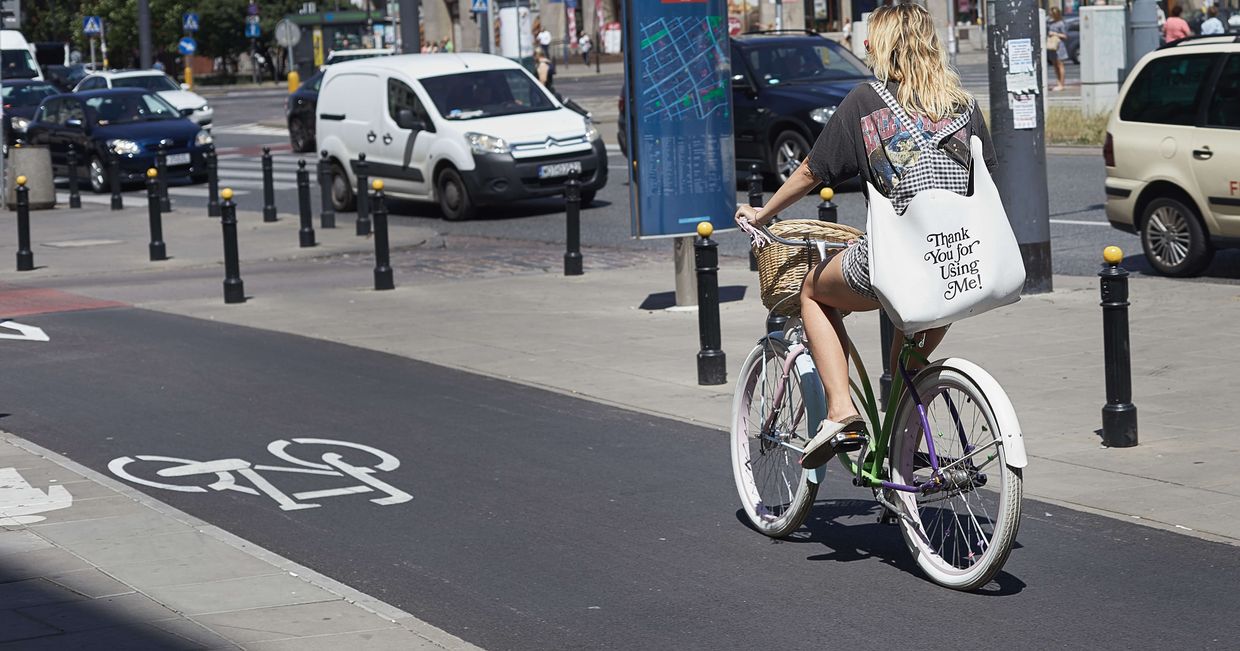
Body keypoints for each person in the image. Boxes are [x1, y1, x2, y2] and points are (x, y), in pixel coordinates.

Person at [734, 2, 997, 469]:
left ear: (886, 45)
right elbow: (986, 179)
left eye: (872, 36)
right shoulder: (965, 105)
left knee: (814, 291)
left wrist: (764, 212)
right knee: (905, 362)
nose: (866, 44)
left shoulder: (866, 101)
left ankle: (840, 412)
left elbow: (813, 170)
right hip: (958, 263)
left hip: (898, 260)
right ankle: (899, 457)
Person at [1047, 7, 1069, 92]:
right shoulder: (1050, 23)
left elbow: (1065, 36)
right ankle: (1058, 82)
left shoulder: (1061, 24)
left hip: (1059, 45)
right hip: (1052, 45)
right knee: (1055, 65)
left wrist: (1055, 34)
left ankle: (1062, 84)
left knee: (1060, 65)